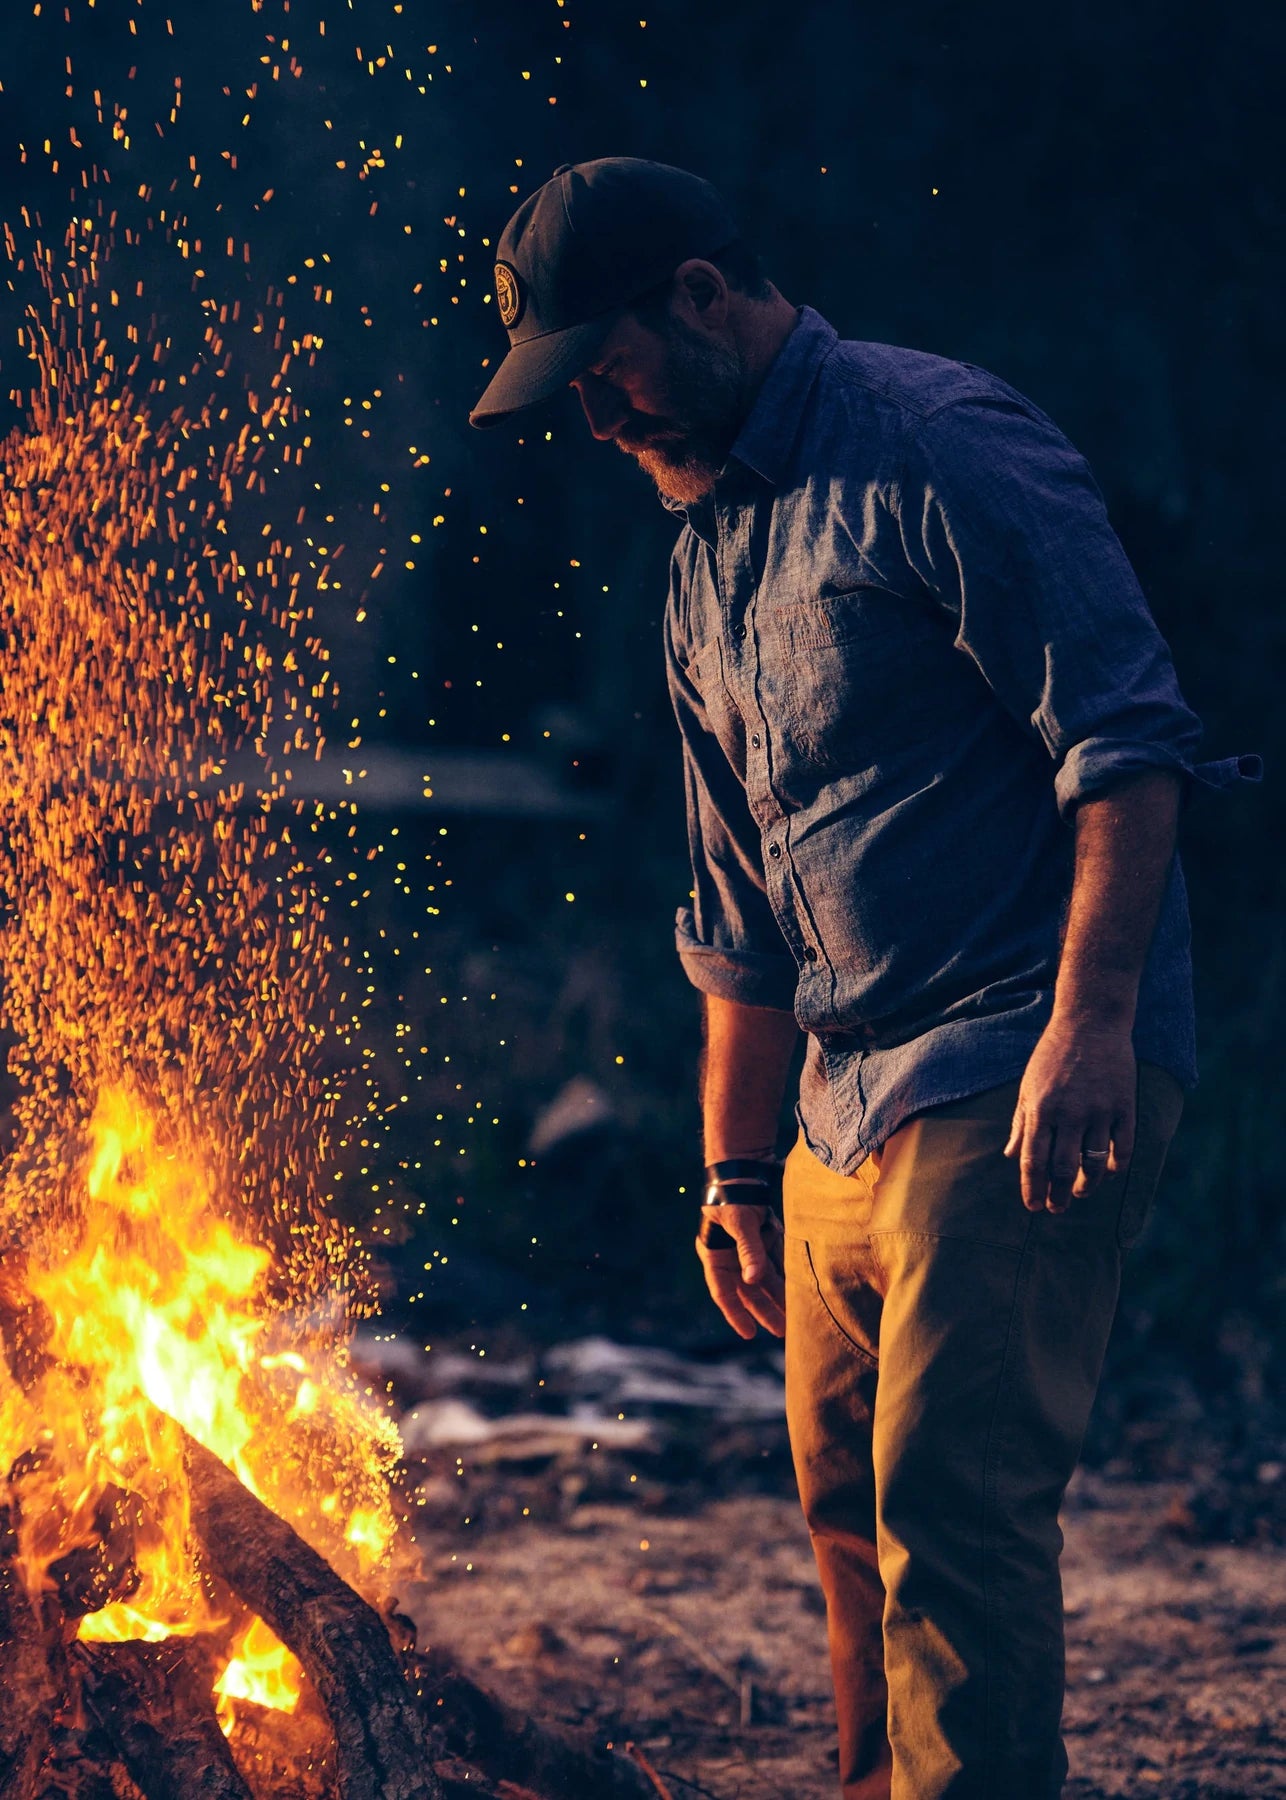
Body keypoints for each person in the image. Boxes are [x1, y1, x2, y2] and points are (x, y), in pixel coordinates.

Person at [469, 158, 1257, 1799]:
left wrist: (1090, 1027)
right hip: (834, 1098)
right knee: (842, 1507)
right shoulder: (699, 560)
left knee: (948, 1499)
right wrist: (735, 1170)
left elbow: (1124, 750)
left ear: (697, 295)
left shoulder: (934, 442)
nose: (600, 423)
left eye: (605, 373)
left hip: (1011, 1053)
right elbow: (737, 917)